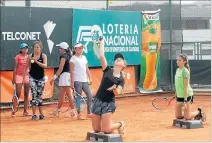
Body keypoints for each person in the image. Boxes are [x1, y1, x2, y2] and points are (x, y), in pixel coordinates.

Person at [91, 37, 126, 136]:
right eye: (116, 59)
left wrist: (114, 89)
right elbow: (101, 56)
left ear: (124, 65)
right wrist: (102, 43)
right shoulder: (107, 70)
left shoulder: (121, 79)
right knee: (97, 129)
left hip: (108, 103)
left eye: (121, 59)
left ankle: (120, 124)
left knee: (106, 130)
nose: (118, 60)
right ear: (114, 63)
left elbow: (118, 93)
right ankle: (109, 123)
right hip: (98, 100)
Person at [174, 53, 206, 122]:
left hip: (187, 95)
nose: (177, 62)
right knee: (178, 116)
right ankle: (187, 112)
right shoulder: (177, 70)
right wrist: (176, 93)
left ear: (184, 62)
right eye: (177, 60)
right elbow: (177, 83)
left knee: (187, 117)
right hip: (179, 95)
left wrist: (185, 101)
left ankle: (199, 112)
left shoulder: (185, 71)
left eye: (179, 60)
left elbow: (185, 87)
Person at [50, 42, 76, 117]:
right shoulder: (69, 56)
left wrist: (53, 78)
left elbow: (60, 68)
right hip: (66, 76)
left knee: (69, 94)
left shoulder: (63, 56)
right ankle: (57, 111)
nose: (59, 50)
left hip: (65, 76)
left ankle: (73, 111)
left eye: (60, 48)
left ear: (63, 49)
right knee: (62, 94)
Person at [70, 43, 93, 119]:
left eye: (81, 48)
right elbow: (72, 71)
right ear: (75, 49)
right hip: (77, 81)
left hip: (85, 80)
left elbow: (87, 69)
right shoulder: (73, 59)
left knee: (90, 96)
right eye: (79, 48)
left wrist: (90, 78)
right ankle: (79, 114)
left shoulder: (84, 58)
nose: (81, 50)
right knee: (78, 98)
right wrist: (72, 83)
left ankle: (89, 113)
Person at [27, 40, 47, 120]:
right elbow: (28, 67)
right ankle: (34, 115)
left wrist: (36, 62)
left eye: (38, 47)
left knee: (39, 95)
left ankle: (41, 114)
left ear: (40, 48)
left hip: (41, 78)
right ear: (33, 48)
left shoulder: (43, 56)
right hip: (32, 78)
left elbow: (45, 66)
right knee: (34, 95)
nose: (36, 49)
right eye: (35, 47)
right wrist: (28, 74)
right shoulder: (30, 56)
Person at [11, 43, 31, 117]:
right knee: (18, 94)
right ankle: (13, 111)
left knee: (26, 94)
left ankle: (25, 111)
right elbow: (15, 68)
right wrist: (13, 78)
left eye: (26, 48)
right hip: (18, 76)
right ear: (21, 49)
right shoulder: (17, 57)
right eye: (24, 48)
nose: (25, 49)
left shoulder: (29, 57)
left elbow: (30, 67)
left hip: (26, 76)